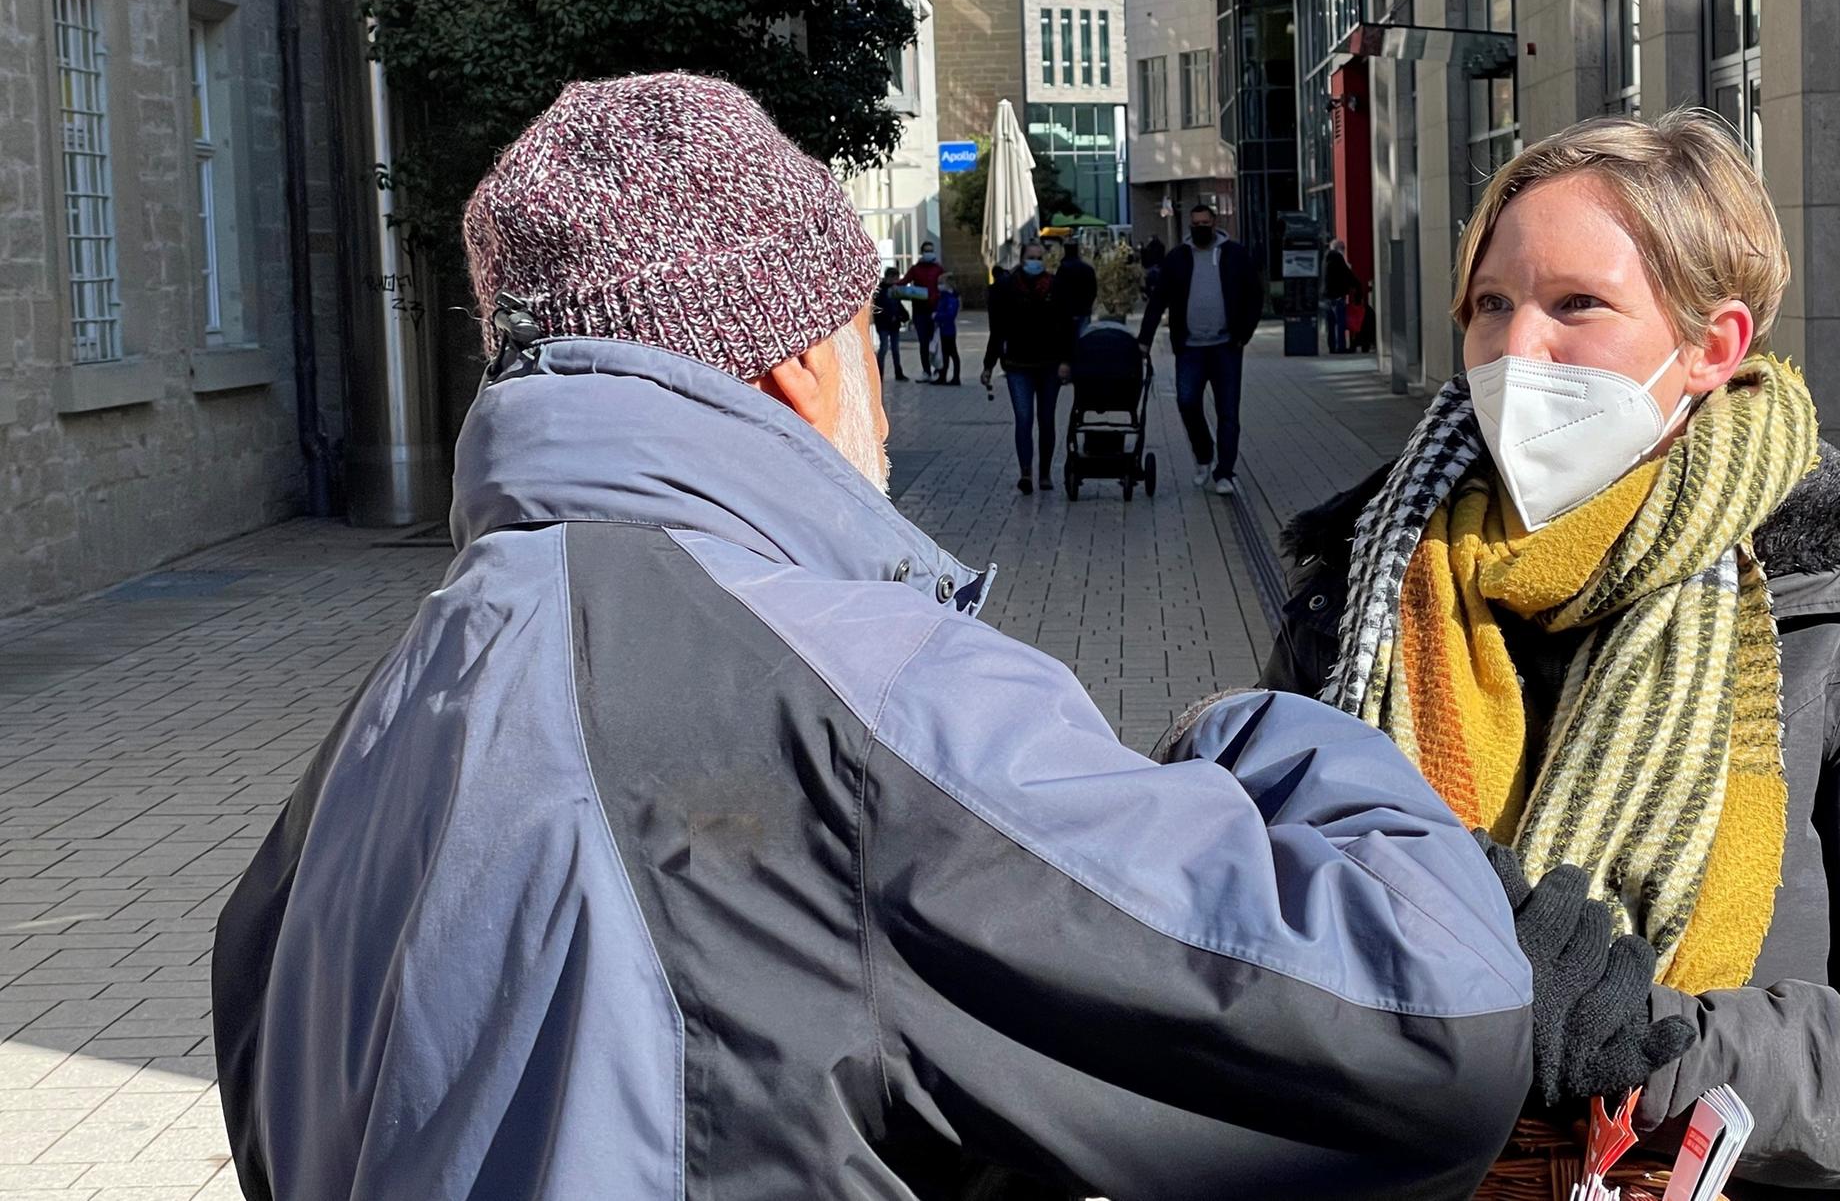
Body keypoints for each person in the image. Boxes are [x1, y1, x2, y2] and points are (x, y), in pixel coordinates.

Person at [210, 73, 1562, 1201]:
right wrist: (1249, 737)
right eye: (863, 337)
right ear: (797, 362)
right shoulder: (840, 687)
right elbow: (1427, 1033)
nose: (892, 411)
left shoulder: (388, 712)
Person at [1263, 111, 1840, 1199]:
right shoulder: (1363, 586)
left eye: (1577, 305)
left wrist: (1636, 1046)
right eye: (1490, 305)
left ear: (1713, 346)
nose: (1516, 351)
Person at [1139, 203, 1262, 497]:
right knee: (1186, 401)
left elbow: (1254, 294)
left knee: (1228, 411)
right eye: (1195, 223)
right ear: (1190, 227)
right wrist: (1144, 339)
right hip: (1190, 347)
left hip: (1226, 347)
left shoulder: (1234, 255)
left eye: (1205, 222)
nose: (1200, 227)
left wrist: (1244, 333)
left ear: (1214, 223)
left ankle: (1225, 472)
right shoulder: (1178, 258)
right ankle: (1204, 453)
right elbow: (1159, 300)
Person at [983, 237, 1076, 493]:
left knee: (1046, 419)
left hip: (1050, 364)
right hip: (1017, 363)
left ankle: (1044, 472)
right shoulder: (1006, 287)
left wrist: (1067, 361)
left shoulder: (1056, 287)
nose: (1034, 262)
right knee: (1023, 418)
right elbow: (998, 329)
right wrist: (988, 365)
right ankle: (1026, 472)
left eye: (1038, 258)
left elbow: (1068, 326)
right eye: (1030, 257)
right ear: (1022, 259)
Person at [904, 241, 946, 379]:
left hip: (935, 310)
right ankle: (926, 370)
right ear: (922, 252)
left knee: (935, 342)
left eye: (931, 250)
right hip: (920, 311)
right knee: (923, 342)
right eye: (927, 250)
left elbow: (945, 285)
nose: (929, 252)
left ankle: (937, 370)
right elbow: (905, 281)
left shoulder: (938, 269)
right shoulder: (916, 269)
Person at [1054, 236, 1099, 341]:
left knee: (1068, 340)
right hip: (1084, 310)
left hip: (1066, 312)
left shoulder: (1062, 269)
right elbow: (1093, 290)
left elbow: (1057, 291)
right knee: (1083, 339)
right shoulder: (1087, 269)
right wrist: (1088, 304)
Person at [872, 264, 911, 382]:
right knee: (884, 348)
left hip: (894, 324)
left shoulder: (894, 290)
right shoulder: (881, 290)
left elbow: (897, 305)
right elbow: (880, 308)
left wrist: (903, 316)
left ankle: (898, 373)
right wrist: (891, 316)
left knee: (895, 349)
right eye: (896, 278)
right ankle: (879, 373)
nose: (897, 281)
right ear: (890, 277)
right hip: (884, 324)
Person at [1323, 238, 1359, 355]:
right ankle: (1341, 347)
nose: (1344, 251)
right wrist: (1356, 285)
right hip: (1337, 296)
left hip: (1327, 296)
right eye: (1343, 248)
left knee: (1331, 324)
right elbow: (1347, 275)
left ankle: (1332, 347)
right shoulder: (1338, 258)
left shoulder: (1325, 258)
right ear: (1339, 249)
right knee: (1340, 323)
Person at [933, 280, 962, 384]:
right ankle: (943, 376)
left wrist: (936, 316)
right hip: (944, 328)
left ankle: (954, 377)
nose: (939, 285)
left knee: (952, 353)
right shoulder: (944, 297)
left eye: (941, 283)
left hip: (948, 329)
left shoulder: (950, 299)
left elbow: (950, 315)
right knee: (945, 353)